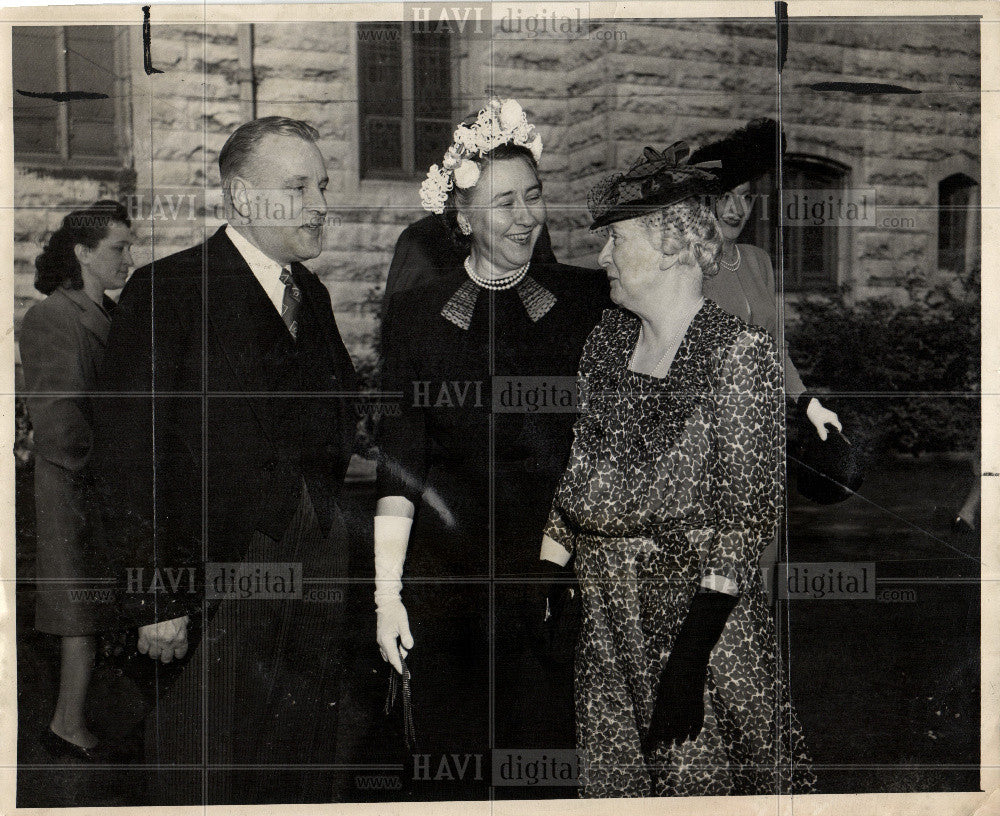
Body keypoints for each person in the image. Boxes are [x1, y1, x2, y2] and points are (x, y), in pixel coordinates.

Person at [93, 117, 359, 804]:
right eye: (297, 187)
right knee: (205, 768)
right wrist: (155, 596)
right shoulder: (168, 292)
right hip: (214, 582)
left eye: (322, 186)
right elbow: (127, 456)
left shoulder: (315, 297)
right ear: (242, 197)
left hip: (317, 572)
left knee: (298, 765)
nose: (320, 206)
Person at [540, 143, 816, 797]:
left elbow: (743, 525)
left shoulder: (738, 355)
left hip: (696, 634)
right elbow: (579, 468)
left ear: (669, 244)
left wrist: (689, 664)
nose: (602, 256)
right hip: (606, 627)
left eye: (616, 242)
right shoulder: (606, 342)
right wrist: (548, 572)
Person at [374, 97, 608, 799]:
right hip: (448, 584)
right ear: (464, 219)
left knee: (546, 763)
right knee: (454, 768)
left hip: (554, 573)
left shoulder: (586, 302)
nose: (526, 217)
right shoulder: (420, 317)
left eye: (533, 197)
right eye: (504, 203)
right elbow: (401, 462)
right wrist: (387, 596)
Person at [20, 201, 133, 761]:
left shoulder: (108, 315)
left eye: (130, 247)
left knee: (95, 603)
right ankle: (65, 724)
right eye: (118, 248)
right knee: (78, 609)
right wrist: (112, 470)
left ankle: (76, 718)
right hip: (72, 484)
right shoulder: (51, 317)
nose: (129, 260)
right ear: (83, 253)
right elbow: (59, 421)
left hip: (100, 482)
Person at [690, 118, 841, 441]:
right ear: (704, 202)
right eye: (724, 196)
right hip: (705, 429)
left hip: (761, 423)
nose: (736, 209)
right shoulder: (688, 266)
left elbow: (775, 348)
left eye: (744, 197)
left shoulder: (759, 261)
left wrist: (807, 403)